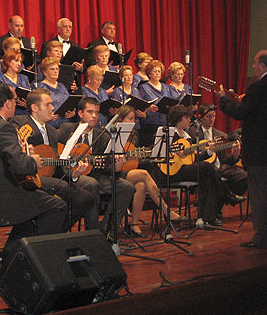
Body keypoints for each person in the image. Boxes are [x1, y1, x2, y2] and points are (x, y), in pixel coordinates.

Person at [0, 84, 67, 251]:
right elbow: (21, 166)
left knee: (40, 198)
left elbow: (3, 158)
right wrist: (33, 161)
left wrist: (23, 154)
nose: (16, 104)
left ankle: (10, 254)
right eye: (15, 100)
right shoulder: (3, 127)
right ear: (8, 104)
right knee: (56, 206)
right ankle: (31, 257)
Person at [218, 50, 267, 249]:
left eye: (255, 64)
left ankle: (263, 238)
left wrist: (223, 99)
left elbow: (241, 112)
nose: (253, 67)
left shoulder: (257, 88)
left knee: (261, 197)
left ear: (262, 65)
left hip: (260, 153)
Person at [10, 88, 93, 230]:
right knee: (62, 191)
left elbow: (57, 165)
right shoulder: (19, 123)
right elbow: (14, 152)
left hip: (51, 178)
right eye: (48, 104)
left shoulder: (53, 133)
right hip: (28, 180)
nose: (53, 108)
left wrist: (74, 174)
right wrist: (25, 151)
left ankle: (55, 232)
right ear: (34, 107)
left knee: (85, 198)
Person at [158, 105, 245, 229]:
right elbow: (158, 151)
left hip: (186, 169)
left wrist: (209, 152)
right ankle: (227, 195)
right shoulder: (168, 133)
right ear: (179, 119)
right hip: (171, 171)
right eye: (187, 118)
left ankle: (208, 218)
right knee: (206, 167)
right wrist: (172, 153)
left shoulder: (187, 138)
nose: (189, 120)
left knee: (206, 177)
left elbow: (194, 159)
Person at [58, 97, 135, 232]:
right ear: (80, 113)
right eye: (90, 112)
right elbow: (59, 157)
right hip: (72, 175)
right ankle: (92, 232)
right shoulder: (67, 129)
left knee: (126, 186)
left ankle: (107, 229)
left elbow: (106, 165)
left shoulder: (103, 136)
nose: (94, 116)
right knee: (91, 183)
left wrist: (117, 167)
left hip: (98, 175)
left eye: (97, 112)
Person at [117, 106, 182, 237]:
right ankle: (166, 210)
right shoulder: (111, 133)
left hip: (126, 171)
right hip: (113, 173)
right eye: (130, 119)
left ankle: (134, 224)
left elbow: (133, 160)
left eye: (134, 119)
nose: (133, 122)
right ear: (120, 119)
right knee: (144, 174)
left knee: (141, 186)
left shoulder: (134, 136)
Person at [188, 103, 247, 197]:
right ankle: (226, 197)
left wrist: (235, 154)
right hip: (203, 169)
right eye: (208, 116)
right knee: (213, 178)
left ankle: (226, 196)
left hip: (220, 167)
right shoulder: (192, 132)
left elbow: (225, 159)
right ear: (200, 117)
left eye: (214, 116)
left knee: (243, 176)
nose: (212, 119)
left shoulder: (221, 136)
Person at [137, 60, 178, 147]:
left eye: (159, 71)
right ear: (149, 73)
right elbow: (140, 105)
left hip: (164, 123)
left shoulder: (167, 87)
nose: (157, 73)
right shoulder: (143, 87)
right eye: (154, 71)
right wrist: (148, 108)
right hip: (149, 125)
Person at [38, 57, 76, 128]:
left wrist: (72, 112)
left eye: (57, 69)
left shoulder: (61, 86)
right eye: (52, 69)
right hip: (50, 126)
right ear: (44, 72)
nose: (55, 71)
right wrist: (47, 116)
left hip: (65, 125)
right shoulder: (41, 87)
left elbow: (69, 103)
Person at [0, 49, 31, 115]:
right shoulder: (0, 79)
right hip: (7, 114)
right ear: (8, 62)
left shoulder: (24, 78)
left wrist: (27, 104)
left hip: (24, 113)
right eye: (16, 61)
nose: (19, 64)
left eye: (21, 62)